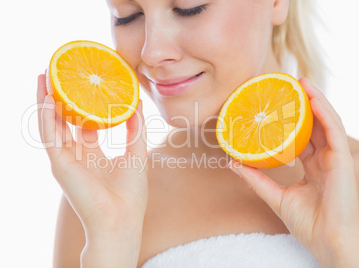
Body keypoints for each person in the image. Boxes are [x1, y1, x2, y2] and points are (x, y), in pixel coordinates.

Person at [37, 0, 359, 267]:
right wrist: (110, 247)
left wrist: (343, 252)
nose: (152, 52)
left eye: (189, 8)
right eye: (127, 16)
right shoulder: (103, 202)